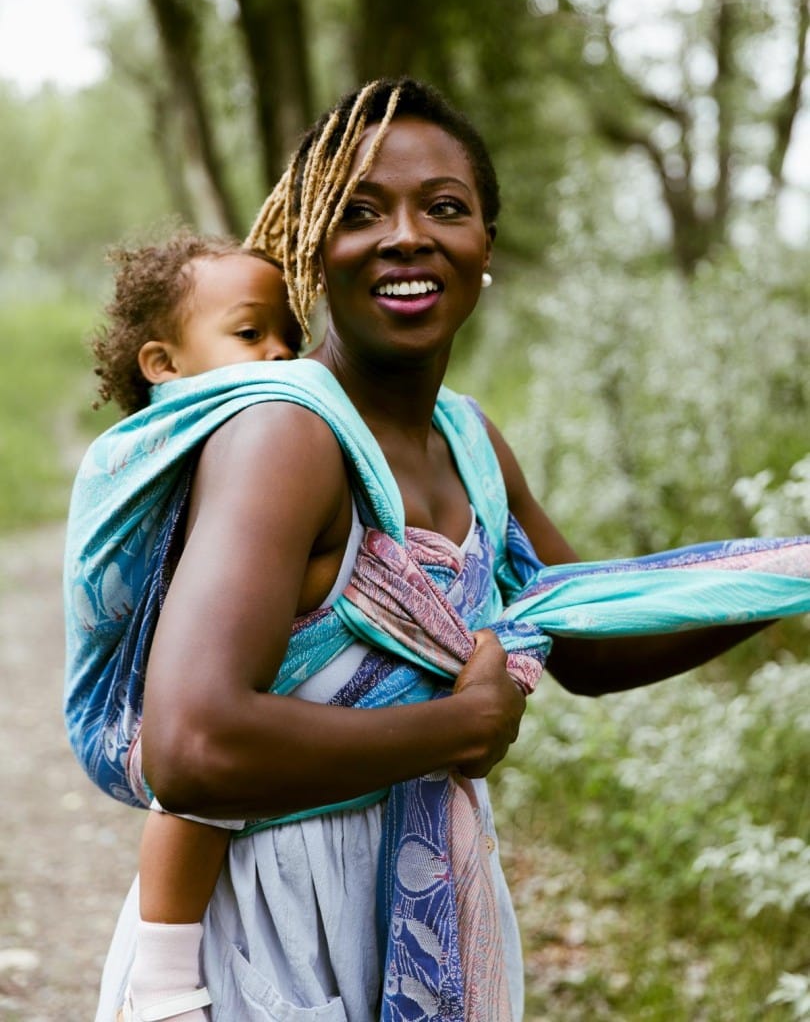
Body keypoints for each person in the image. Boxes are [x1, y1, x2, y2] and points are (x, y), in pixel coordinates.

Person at [65, 78, 810, 1022]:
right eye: (360, 212)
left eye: (444, 209)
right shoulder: (287, 438)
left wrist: (789, 576)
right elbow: (193, 744)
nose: (407, 234)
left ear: (483, 247)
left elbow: (582, 636)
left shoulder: (467, 439)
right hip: (271, 933)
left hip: (413, 906)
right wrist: (453, 730)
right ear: (312, 252)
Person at [90, 230, 301, 1022]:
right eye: (251, 335)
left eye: (291, 336)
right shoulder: (202, 440)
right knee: (201, 793)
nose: (280, 353)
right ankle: (165, 981)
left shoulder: (255, 422)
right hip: (193, 691)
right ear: (163, 365)